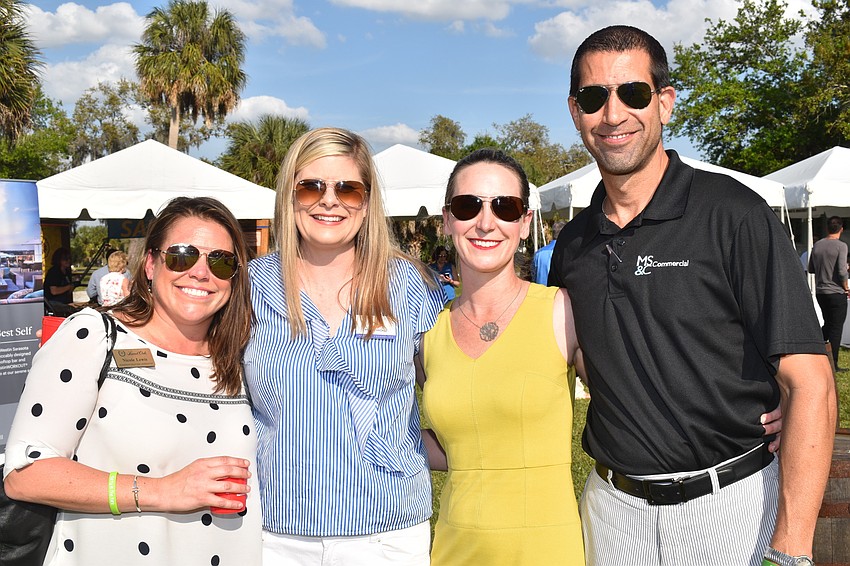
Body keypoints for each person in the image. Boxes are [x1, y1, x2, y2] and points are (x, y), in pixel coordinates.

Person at [548, 25, 835, 566]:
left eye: (632, 93)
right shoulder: (574, 243)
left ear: (665, 102)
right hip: (612, 511)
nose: (613, 115)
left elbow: (812, 381)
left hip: (732, 506)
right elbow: (585, 357)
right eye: (593, 98)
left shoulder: (735, 214)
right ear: (574, 110)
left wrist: (793, 547)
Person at [4, 196, 262, 565]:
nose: (201, 273)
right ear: (151, 264)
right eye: (182, 255)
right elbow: (25, 474)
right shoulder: (95, 335)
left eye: (221, 262)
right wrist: (162, 491)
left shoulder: (240, 358)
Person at [243, 127, 445, 565]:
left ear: (367, 201)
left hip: (388, 531)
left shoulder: (408, 284)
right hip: (275, 534)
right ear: (289, 195)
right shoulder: (250, 287)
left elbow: (451, 388)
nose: (329, 200)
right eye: (311, 186)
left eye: (347, 189)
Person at [419, 149, 584, 564]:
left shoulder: (562, 311)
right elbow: (440, 445)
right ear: (447, 220)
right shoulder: (427, 335)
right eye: (467, 205)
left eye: (505, 207)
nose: (486, 222)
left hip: (547, 550)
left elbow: (638, 403)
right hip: (455, 549)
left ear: (525, 223)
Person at [808, 216, 849, 370]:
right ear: (841, 229)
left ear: (827, 228)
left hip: (821, 292)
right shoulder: (841, 246)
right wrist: (846, 286)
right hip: (836, 292)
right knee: (836, 328)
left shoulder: (817, 245)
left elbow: (811, 268)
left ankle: (813, 346)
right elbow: (841, 270)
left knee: (828, 324)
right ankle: (834, 363)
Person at [531, 220, 565, 285]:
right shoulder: (566, 253)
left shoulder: (538, 254)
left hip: (540, 292)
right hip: (559, 293)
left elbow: (533, 277)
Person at [43, 247, 76, 312]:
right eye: (65, 259)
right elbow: (54, 291)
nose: (68, 261)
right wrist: (69, 287)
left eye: (69, 258)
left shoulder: (66, 272)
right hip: (53, 302)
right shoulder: (54, 272)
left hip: (64, 302)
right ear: (59, 260)